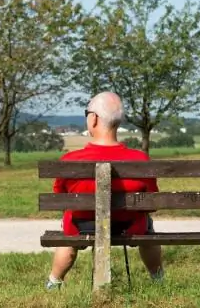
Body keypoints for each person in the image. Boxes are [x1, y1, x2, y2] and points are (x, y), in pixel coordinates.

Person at [46, 92, 164, 290]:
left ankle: (54, 281)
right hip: (129, 226)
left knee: (67, 222)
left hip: (82, 226)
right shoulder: (140, 160)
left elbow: (60, 197)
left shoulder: (70, 161)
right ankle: (158, 279)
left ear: (94, 119)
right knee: (148, 225)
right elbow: (151, 202)